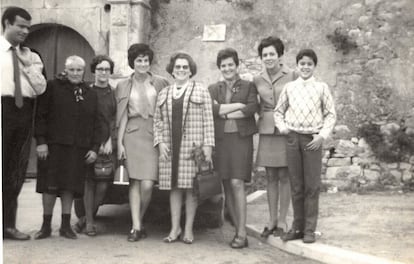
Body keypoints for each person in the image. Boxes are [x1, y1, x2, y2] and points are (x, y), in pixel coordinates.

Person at [34, 55, 100, 239]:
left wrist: (94, 147)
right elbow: (41, 115)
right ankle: (45, 226)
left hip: (77, 148)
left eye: (79, 70)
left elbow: (96, 122)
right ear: (66, 69)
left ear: (84, 71)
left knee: (69, 187)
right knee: (49, 186)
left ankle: (65, 226)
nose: (75, 73)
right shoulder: (52, 87)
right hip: (52, 146)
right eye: (72, 69)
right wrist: (41, 142)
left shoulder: (90, 93)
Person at [274, 49, 336, 243]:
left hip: (312, 140)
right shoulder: (290, 87)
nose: (306, 67)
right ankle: (297, 227)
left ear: (314, 66)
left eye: (309, 64)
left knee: (312, 186)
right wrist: (284, 129)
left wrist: (322, 136)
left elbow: (330, 114)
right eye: (302, 63)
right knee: (296, 185)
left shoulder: (322, 88)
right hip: (293, 139)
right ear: (297, 65)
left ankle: (309, 229)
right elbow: (278, 112)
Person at [154, 52, 214, 244]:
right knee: (174, 188)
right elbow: (157, 121)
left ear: (191, 70)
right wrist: (160, 142)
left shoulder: (201, 90)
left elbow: (208, 120)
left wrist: (208, 147)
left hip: (193, 148)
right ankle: (174, 228)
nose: (181, 70)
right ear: (172, 70)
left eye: (185, 67)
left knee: (191, 189)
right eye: (178, 67)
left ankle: (188, 229)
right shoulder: (164, 93)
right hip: (170, 147)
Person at [1, 6, 47, 240]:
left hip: (24, 113)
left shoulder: (33, 55)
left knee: (16, 173)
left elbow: (41, 88)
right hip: (2, 109)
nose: (25, 31)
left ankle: (8, 226)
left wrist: (28, 65)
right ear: (6, 24)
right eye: (20, 26)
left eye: (28, 27)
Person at [117, 43, 169, 242]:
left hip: (154, 134)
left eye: (146, 60)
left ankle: (139, 218)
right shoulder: (123, 85)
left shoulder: (160, 82)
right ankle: (136, 227)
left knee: (148, 184)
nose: (142, 64)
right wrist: (120, 143)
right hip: (132, 134)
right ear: (132, 62)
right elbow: (122, 115)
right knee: (135, 181)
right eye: (139, 60)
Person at [208, 48, 258, 248]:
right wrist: (236, 106)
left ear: (237, 66)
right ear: (220, 68)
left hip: (240, 139)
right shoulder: (213, 88)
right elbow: (211, 110)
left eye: (230, 65)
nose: (227, 68)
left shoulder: (249, 86)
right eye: (223, 66)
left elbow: (251, 109)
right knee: (227, 184)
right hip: (221, 141)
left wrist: (225, 113)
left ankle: (242, 232)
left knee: (237, 183)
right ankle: (237, 227)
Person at [254, 36, 297, 238]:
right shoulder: (257, 79)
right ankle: (271, 220)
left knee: (285, 176)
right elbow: (254, 103)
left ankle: (282, 220)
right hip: (266, 131)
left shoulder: (293, 75)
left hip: (286, 129)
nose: (268, 57)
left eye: (272, 54)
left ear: (280, 55)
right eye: (265, 55)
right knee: (270, 176)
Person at [73, 55, 117, 236]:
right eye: (100, 69)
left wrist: (109, 141)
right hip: (90, 144)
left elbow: (116, 118)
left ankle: (84, 218)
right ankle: (90, 223)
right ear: (94, 71)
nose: (103, 73)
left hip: (108, 144)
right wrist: (94, 144)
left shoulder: (114, 93)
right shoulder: (86, 91)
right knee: (88, 183)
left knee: (103, 184)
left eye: (107, 69)